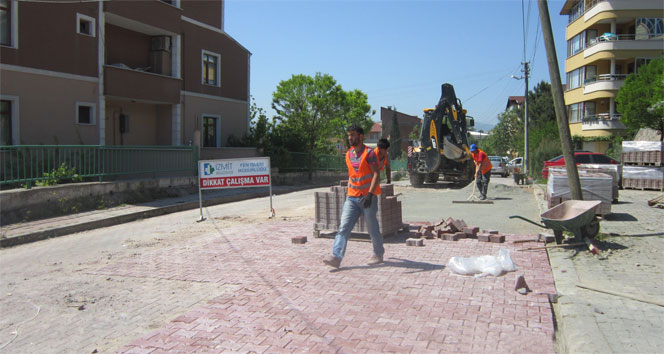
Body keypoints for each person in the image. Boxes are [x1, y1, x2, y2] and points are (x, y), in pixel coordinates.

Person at [323, 125, 384, 269]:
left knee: (372, 228)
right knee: (343, 227)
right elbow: (353, 176)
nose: (350, 138)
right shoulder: (348, 154)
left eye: (353, 135)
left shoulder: (369, 154)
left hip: (368, 198)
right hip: (352, 198)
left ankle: (378, 253)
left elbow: (376, 174)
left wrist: (370, 194)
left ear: (361, 136)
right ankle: (336, 257)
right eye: (349, 135)